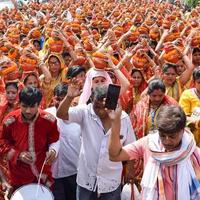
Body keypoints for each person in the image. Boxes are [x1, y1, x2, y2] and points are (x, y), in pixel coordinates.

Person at [57, 83, 136, 200]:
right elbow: (61, 114)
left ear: (111, 104)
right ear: (91, 101)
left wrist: (130, 169)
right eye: (96, 107)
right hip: (86, 178)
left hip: (111, 179)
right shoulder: (85, 111)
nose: (100, 111)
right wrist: (69, 97)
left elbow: (130, 146)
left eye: (104, 107)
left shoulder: (123, 118)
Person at [109, 105, 200, 200]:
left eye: (172, 136)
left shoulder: (193, 153)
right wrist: (115, 123)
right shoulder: (148, 144)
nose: (167, 141)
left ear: (182, 130)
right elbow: (115, 155)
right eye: (162, 135)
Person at [0, 86, 60, 196]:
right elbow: (2, 142)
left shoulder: (48, 120)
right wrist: (18, 155)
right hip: (19, 176)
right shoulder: (10, 121)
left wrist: (53, 150)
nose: (28, 111)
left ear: (39, 104)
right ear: (19, 103)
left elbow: (55, 139)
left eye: (32, 106)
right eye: (24, 106)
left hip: (43, 174)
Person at [45, 84, 81, 200]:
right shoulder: (45, 116)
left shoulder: (78, 116)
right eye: (58, 98)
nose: (60, 102)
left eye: (63, 99)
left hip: (74, 172)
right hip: (52, 174)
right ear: (53, 98)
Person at [179, 66, 200, 146]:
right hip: (192, 139)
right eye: (199, 82)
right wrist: (196, 122)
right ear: (194, 82)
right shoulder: (187, 95)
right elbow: (182, 117)